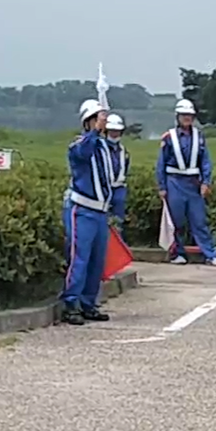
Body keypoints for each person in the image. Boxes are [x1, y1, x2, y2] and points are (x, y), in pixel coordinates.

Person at [56, 99, 114, 326]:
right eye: (97, 120)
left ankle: (89, 303)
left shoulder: (104, 147)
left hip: (100, 212)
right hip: (82, 210)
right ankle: (71, 303)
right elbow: (84, 152)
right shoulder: (79, 144)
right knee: (79, 258)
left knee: (97, 261)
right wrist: (95, 132)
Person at [156, 99, 216, 267]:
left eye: (189, 115)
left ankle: (210, 255)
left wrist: (206, 182)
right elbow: (161, 163)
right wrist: (162, 186)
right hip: (174, 182)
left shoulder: (199, 137)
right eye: (184, 115)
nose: (187, 118)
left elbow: (205, 161)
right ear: (178, 116)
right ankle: (177, 253)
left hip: (193, 183)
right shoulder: (169, 137)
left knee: (199, 221)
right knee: (177, 221)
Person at [104, 113, 129, 222]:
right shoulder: (101, 149)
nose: (114, 134)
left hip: (119, 189)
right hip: (104, 188)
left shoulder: (124, 151)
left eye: (117, 131)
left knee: (118, 220)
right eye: (112, 131)